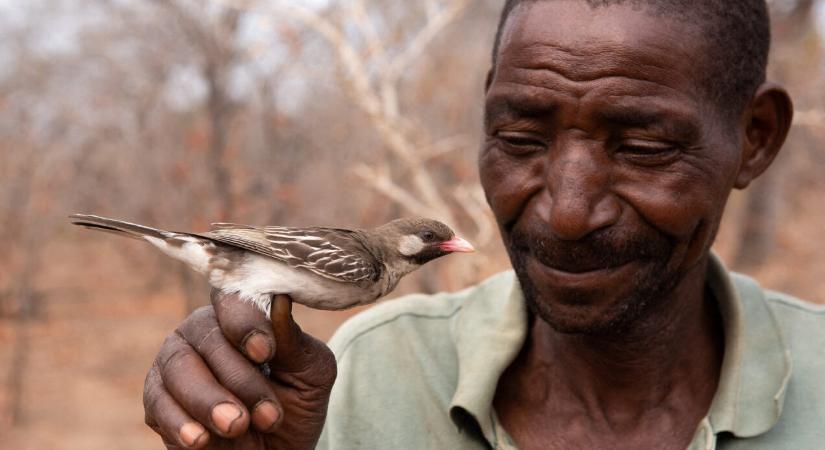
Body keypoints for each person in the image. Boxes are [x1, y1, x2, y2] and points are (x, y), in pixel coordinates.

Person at [141, 0, 825, 449]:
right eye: (521, 138)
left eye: (643, 147)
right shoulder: (363, 377)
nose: (565, 212)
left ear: (755, 138)